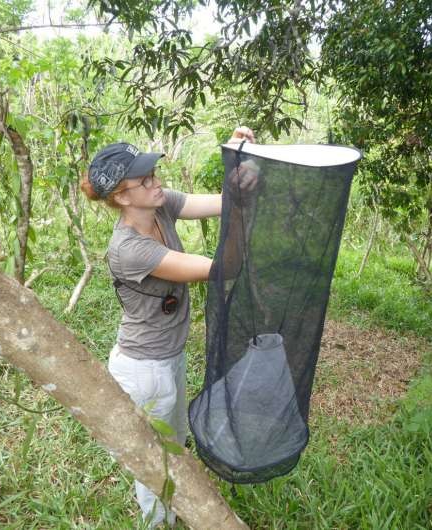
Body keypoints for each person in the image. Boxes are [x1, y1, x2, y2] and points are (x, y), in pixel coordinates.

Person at [80, 126, 258, 528]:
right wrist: (240, 210)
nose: (156, 183)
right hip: (145, 369)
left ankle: (173, 513)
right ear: (122, 197)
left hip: (168, 358)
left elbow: (221, 201)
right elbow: (225, 268)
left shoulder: (160, 206)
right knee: (155, 461)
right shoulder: (129, 249)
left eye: (154, 174)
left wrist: (238, 160)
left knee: (173, 447)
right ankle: (158, 522)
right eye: (144, 181)